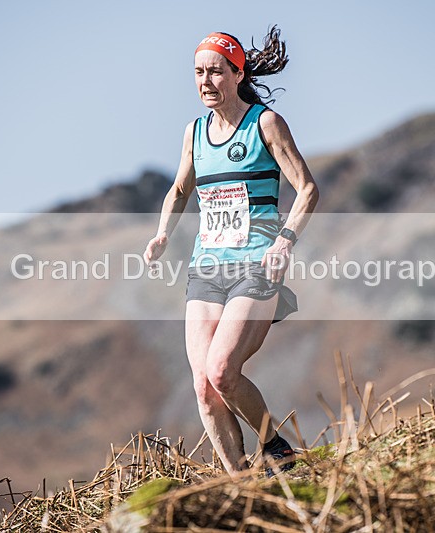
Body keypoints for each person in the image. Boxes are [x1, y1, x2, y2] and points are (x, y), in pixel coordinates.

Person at [143, 26, 319, 476]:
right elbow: (179, 189)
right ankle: (240, 485)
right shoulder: (194, 132)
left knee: (223, 371)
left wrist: (285, 241)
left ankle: (275, 447)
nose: (206, 81)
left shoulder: (265, 123)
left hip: (256, 267)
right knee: (204, 387)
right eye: (198, 72)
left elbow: (306, 190)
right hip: (207, 269)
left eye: (216, 71)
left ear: (237, 73)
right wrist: (163, 233)